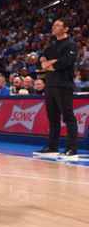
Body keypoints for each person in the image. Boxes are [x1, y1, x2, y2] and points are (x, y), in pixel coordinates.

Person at [35, 18, 78, 156]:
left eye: (57, 25)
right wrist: (49, 63)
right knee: (53, 118)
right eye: (53, 25)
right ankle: (52, 146)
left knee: (68, 117)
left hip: (63, 84)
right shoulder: (51, 46)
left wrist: (49, 64)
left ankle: (72, 148)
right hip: (50, 85)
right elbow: (39, 63)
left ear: (66, 29)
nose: (53, 27)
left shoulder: (71, 45)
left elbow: (63, 64)